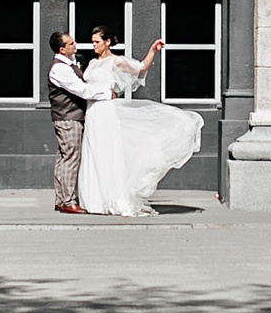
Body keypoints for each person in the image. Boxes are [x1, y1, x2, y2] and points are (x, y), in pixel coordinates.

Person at [74, 26, 204, 217]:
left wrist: (152, 50)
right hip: (92, 112)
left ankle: (112, 198)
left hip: (106, 112)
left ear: (107, 42)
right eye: (92, 42)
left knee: (107, 153)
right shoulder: (92, 63)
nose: (93, 45)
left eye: (97, 42)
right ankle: (95, 200)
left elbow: (141, 68)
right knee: (93, 153)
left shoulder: (115, 61)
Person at [46, 30, 90, 214]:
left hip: (68, 116)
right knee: (71, 158)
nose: (75, 45)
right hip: (68, 118)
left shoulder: (69, 64)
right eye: (71, 43)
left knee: (64, 158)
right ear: (62, 49)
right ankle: (68, 201)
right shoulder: (60, 68)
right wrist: (107, 93)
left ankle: (61, 200)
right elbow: (82, 90)